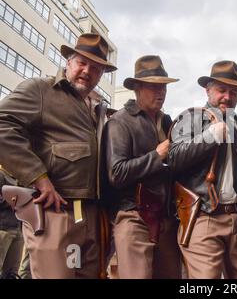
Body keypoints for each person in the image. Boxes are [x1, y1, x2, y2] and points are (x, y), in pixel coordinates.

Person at [0, 33, 116, 278]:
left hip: (90, 215)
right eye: (81, 63)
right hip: (53, 212)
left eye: (96, 68)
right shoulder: (40, 90)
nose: (87, 71)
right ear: (68, 62)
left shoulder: (97, 107)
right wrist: (38, 177)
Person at [168, 60, 237, 279]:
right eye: (221, 90)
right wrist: (209, 137)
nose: (227, 97)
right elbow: (173, 159)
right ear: (208, 90)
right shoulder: (190, 118)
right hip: (204, 216)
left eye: (234, 92)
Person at [103, 55, 181, 279]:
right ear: (137, 88)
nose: (161, 92)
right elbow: (116, 173)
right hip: (134, 216)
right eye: (153, 86)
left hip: (166, 219)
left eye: (163, 87)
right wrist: (157, 155)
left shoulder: (168, 122)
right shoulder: (120, 121)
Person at [0, 166, 22, 278]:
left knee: (12, 272)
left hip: (17, 229)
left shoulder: (18, 178)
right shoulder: (1, 175)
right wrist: (14, 201)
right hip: (3, 228)